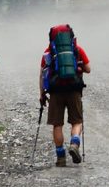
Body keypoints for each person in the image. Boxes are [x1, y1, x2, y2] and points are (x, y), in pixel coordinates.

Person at [40, 24, 91, 166]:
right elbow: (88, 69)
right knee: (76, 121)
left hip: (56, 91)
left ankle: (60, 157)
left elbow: (43, 75)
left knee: (57, 124)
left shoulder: (48, 52)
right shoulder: (77, 50)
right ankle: (74, 144)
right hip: (74, 89)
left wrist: (42, 94)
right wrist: (78, 67)